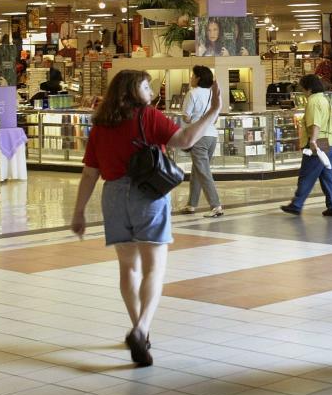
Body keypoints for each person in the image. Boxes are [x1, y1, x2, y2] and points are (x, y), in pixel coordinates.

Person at [70, 70, 222, 367]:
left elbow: (90, 172)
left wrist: (78, 211)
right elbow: (186, 139)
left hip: (113, 197)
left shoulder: (102, 124)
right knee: (155, 268)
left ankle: (142, 332)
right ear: (132, 90)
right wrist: (213, 111)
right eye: (144, 84)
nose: (149, 89)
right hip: (147, 195)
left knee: (128, 268)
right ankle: (140, 328)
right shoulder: (148, 116)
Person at [280, 74, 332, 217]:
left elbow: (315, 123)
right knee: (327, 176)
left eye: (302, 88)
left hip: (320, 142)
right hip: (331, 141)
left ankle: (296, 204)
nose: (302, 91)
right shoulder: (325, 99)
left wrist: (313, 141)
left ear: (308, 88)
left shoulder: (313, 101)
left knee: (306, 175)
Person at [178, 66, 222, 217]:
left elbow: (186, 117)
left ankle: (216, 206)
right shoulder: (213, 94)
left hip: (198, 136)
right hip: (212, 136)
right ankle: (191, 204)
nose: (191, 78)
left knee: (204, 172)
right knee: (198, 171)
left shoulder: (192, 93)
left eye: (192, 76)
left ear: (198, 78)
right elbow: (215, 118)